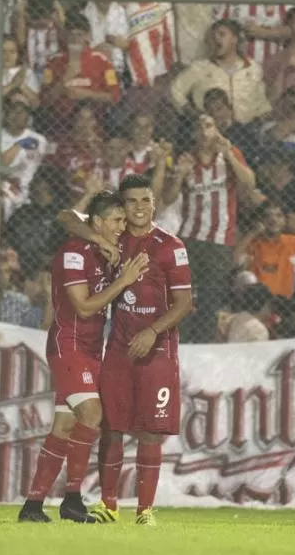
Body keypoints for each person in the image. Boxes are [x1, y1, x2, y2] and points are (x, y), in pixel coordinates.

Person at [57, 173, 194, 525]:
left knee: (150, 431)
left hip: (158, 350)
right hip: (118, 348)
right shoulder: (111, 236)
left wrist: (152, 330)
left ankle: (145, 510)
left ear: (154, 203)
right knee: (112, 428)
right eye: (131, 201)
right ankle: (109, 505)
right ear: (122, 206)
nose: (138, 208)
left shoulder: (170, 246)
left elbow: (184, 303)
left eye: (145, 201)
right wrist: (95, 238)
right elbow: (65, 217)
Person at [18, 191, 149, 523]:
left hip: (92, 350)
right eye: (117, 220)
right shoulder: (74, 254)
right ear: (99, 222)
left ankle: (32, 506)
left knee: (64, 426)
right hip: (69, 345)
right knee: (92, 415)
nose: (123, 226)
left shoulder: (107, 252)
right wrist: (123, 281)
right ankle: (72, 499)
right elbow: (84, 306)